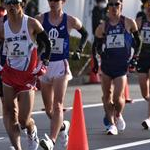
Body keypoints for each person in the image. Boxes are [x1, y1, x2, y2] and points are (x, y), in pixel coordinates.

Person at [35, 0, 88, 149]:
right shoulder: (40, 19)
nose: (52, 3)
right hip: (45, 64)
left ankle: (51, 141)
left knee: (58, 105)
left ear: (63, 2)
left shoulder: (70, 20)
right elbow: (31, 34)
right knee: (48, 110)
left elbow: (84, 33)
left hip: (61, 64)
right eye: (50, 0)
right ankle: (63, 127)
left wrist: (79, 50)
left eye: (56, 0)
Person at [0, 0, 51, 149]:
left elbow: (47, 44)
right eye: (8, 3)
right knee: (10, 114)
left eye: (14, 2)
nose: (11, 6)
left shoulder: (31, 23)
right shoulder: (3, 28)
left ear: (22, 3)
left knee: (23, 120)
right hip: (9, 74)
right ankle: (18, 148)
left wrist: (44, 63)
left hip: (27, 75)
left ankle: (32, 130)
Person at [93, 0, 142, 135]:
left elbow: (138, 41)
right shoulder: (103, 26)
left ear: (121, 6)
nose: (114, 7)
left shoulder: (128, 22)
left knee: (117, 98)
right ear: (108, 7)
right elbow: (95, 45)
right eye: (111, 4)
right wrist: (97, 62)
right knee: (106, 96)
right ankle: (111, 124)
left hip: (121, 66)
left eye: (117, 4)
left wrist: (135, 59)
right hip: (107, 65)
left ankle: (118, 114)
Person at [136, 0, 150, 130]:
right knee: (145, 93)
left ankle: (149, 118)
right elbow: (133, 35)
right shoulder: (141, 19)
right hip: (142, 56)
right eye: (147, 6)